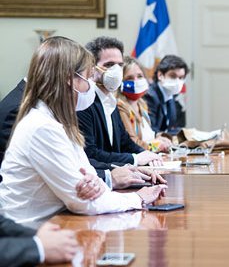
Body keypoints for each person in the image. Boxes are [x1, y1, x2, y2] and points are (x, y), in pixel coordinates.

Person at [0, 36, 166, 224]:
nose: (91, 87)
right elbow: (83, 202)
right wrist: (139, 197)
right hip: (31, 235)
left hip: (58, 224)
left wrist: (95, 183)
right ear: (70, 80)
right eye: (88, 79)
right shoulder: (41, 127)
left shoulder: (61, 123)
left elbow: (87, 179)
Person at [0, 78, 163, 187]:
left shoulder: (44, 106)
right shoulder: (22, 110)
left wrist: (124, 168)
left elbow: (77, 160)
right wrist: (111, 178)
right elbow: (60, 174)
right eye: (87, 76)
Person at [78, 36, 162, 166]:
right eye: (109, 65)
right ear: (91, 68)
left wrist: (148, 156)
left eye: (120, 65)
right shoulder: (84, 103)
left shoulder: (111, 101)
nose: (116, 70)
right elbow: (90, 153)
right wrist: (135, 159)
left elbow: (125, 142)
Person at [118, 56, 171, 152]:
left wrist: (158, 137)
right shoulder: (121, 107)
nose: (136, 81)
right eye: (129, 78)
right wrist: (157, 145)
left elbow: (146, 135)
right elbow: (132, 143)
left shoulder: (142, 105)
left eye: (139, 76)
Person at [145, 55, 189, 135]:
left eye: (181, 77)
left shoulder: (172, 95)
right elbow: (151, 130)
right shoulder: (150, 96)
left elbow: (171, 128)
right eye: (173, 76)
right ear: (160, 75)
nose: (177, 81)